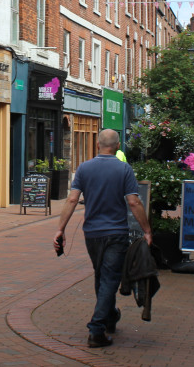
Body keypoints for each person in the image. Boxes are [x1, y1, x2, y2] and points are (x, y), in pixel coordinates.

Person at [53, 129, 151, 349]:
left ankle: (110, 317)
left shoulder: (84, 168)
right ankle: (96, 329)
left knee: (103, 276)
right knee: (109, 278)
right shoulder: (124, 168)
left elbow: (71, 200)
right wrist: (147, 230)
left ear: (98, 145)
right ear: (117, 147)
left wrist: (60, 229)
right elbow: (134, 202)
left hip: (92, 234)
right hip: (116, 232)